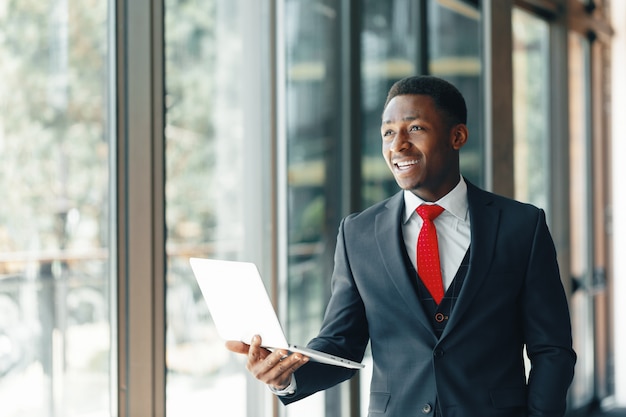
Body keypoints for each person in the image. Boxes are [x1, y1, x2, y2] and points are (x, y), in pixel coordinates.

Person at [226, 75, 576, 416]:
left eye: (415, 128)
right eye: (388, 133)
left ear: (457, 136)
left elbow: (552, 349)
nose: (398, 145)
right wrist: (287, 376)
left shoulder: (520, 226)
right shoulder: (358, 234)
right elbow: (341, 344)